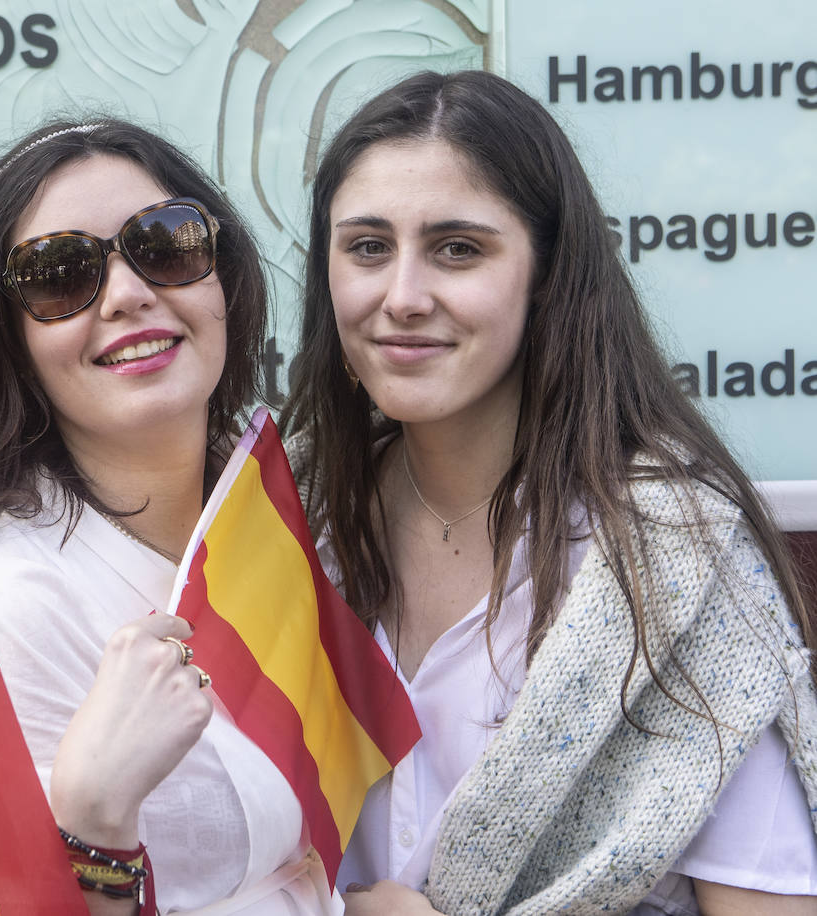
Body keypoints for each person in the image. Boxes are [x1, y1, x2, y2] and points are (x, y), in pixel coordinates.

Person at [283, 69, 817, 915]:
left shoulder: (678, 564)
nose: (403, 296)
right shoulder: (289, 519)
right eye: (368, 247)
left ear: (548, 273)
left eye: (459, 248)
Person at [0, 118, 337, 913]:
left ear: (220, 277)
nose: (129, 294)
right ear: (11, 342)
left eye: (166, 245)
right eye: (59, 275)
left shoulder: (297, 511)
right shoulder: (13, 606)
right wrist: (93, 815)